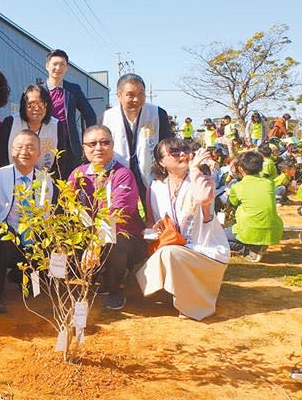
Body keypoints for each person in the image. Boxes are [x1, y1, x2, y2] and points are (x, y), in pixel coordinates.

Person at [135, 138, 230, 320]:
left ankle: (193, 305)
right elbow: (149, 220)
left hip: (206, 251)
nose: (182, 154)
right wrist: (152, 230)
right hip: (173, 247)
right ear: (162, 162)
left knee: (169, 253)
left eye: (185, 149)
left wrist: (195, 169)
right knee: (166, 253)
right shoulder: (155, 187)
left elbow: (203, 199)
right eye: (174, 152)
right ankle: (154, 292)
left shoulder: (201, 179)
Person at [68, 125, 146, 310]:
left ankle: (116, 289)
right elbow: (66, 204)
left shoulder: (122, 174)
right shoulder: (78, 174)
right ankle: (96, 277)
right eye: (92, 144)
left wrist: (95, 242)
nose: (98, 148)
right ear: (84, 148)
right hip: (89, 233)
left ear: (113, 145)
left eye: (104, 142)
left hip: (123, 236)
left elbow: (119, 212)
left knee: (113, 241)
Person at [0, 130, 52, 314]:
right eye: (20, 147)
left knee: (46, 238)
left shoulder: (46, 181)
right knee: (3, 236)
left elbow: (46, 214)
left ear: (39, 154)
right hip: (4, 232)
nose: (25, 152)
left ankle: (32, 283)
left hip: (31, 234)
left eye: (31, 148)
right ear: (11, 151)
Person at [102, 73, 173, 205]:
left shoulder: (157, 113)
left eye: (141, 94)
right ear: (119, 95)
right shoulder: (107, 117)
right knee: (122, 215)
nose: (137, 99)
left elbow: (167, 145)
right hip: (119, 175)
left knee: (155, 214)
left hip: (151, 172)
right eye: (130, 95)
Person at [44, 49, 97, 177]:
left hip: (69, 146)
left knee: (72, 184)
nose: (58, 68)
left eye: (62, 64)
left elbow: (90, 116)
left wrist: (87, 142)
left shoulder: (73, 90)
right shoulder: (38, 90)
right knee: (45, 184)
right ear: (47, 66)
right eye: (54, 64)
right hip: (45, 144)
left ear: (67, 67)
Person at [226, 151, 283, 262]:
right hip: (273, 230)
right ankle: (259, 246)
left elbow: (233, 202)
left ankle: (248, 250)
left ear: (241, 169)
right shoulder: (269, 183)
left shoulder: (237, 187)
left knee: (219, 238)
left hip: (249, 229)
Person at [0, 84, 66, 175]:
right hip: (11, 177)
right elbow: (1, 157)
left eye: (41, 104)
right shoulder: (10, 123)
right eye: (31, 104)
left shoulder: (57, 126)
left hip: (44, 180)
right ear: (24, 105)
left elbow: (60, 161)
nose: (37, 108)